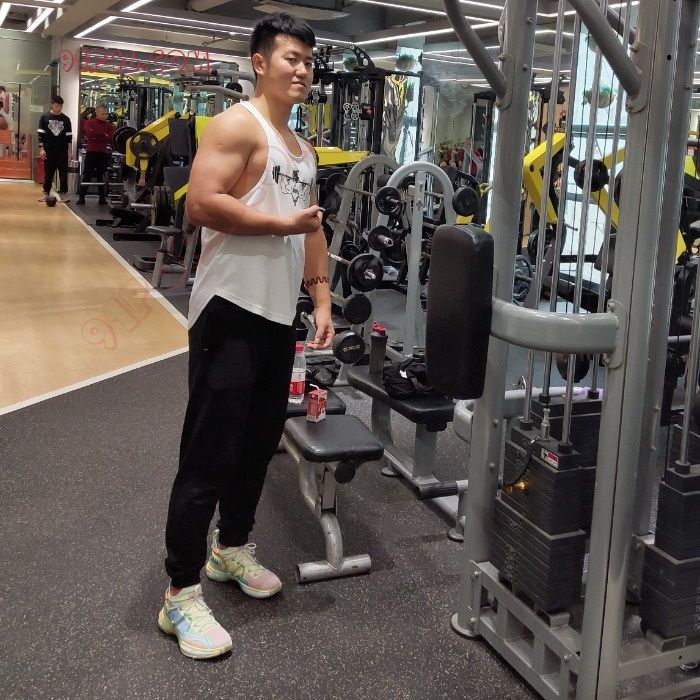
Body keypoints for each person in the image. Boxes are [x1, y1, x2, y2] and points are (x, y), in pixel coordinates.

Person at [158, 12, 334, 660]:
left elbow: (312, 228)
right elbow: (201, 203)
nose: (302, 69)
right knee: (208, 452)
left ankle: (230, 548)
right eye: (291, 57)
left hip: (276, 316)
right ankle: (179, 592)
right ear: (260, 62)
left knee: (258, 444)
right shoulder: (238, 125)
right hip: (228, 311)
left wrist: (322, 297)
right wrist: (283, 224)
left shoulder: (302, 149)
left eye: (308, 61)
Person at [76, 105, 115, 205]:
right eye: (102, 114)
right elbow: (90, 135)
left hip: (103, 153)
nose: (105, 116)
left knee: (101, 176)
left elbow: (109, 138)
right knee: (87, 175)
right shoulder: (89, 123)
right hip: (91, 152)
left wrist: (97, 135)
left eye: (106, 114)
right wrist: (103, 135)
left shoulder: (110, 126)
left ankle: (102, 198)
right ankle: (82, 197)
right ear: (97, 113)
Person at [38, 96, 72, 199]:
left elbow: (69, 137)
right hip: (49, 149)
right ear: (52, 105)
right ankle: (46, 192)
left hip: (62, 150)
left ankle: (63, 193)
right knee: (48, 172)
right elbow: (40, 134)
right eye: (57, 106)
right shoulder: (45, 117)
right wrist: (41, 149)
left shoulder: (66, 119)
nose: (59, 108)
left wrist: (70, 152)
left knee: (63, 173)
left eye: (61, 106)